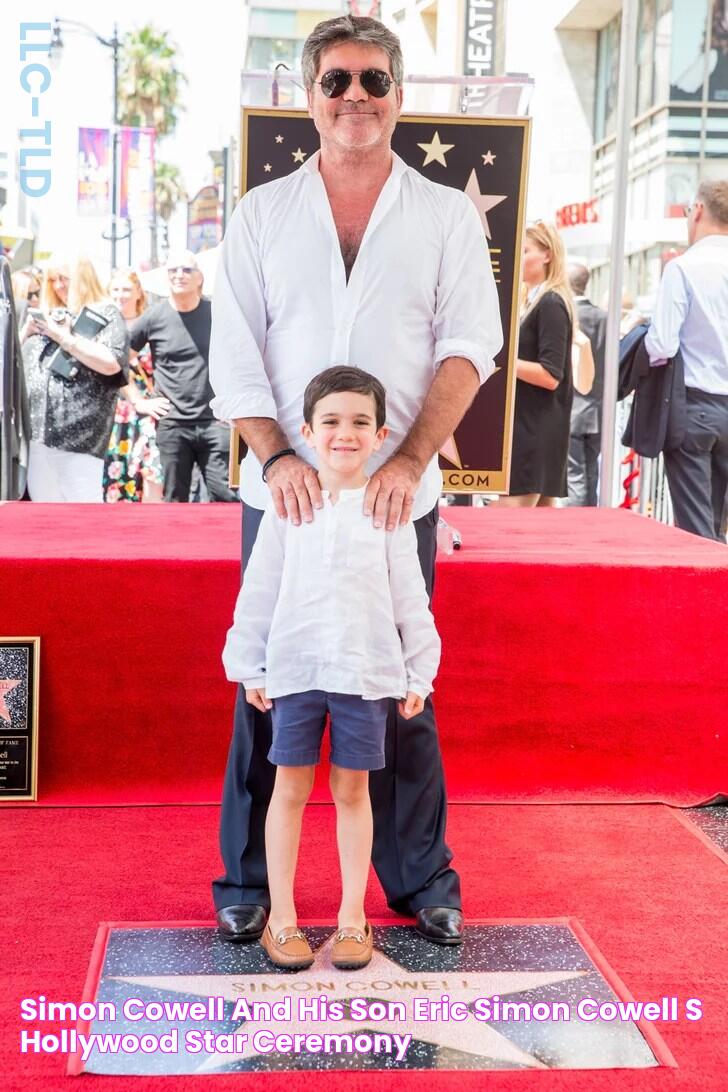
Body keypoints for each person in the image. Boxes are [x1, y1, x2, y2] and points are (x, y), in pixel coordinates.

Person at [209, 13, 502, 947]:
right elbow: (236, 357)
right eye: (336, 81)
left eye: (373, 81)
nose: (355, 98)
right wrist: (277, 453)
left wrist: (411, 460)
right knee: (269, 687)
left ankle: (422, 879)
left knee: (399, 689)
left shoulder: (446, 215)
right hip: (284, 496)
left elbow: (469, 348)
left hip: (393, 500)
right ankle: (248, 881)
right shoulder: (260, 215)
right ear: (308, 95)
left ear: (399, 95)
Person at [223, 367, 440, 969]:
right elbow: (258, 589)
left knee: (353, 790)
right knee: (289, 789)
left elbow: (409, 600)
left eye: (360, 423)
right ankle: (285, 918)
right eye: (332, 422)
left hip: (364, 675)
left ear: (381, 435)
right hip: (295, 670)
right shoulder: (286, 508)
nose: (346, 433)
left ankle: (352, 916)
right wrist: (250, 665)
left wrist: (419, 673)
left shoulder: (388, 514)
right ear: (307, 432)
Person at [645, 179, 728, 542]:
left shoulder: (684, 267)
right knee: (718, 527)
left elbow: (660, 345)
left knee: (698, 535)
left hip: (695, 407)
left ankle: (711, 598)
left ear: (697, 210)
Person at [129, 251, 238, 503]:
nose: (179, 275)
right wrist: (139, 401)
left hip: (216, 421)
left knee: (225, 496)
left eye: (187, 270)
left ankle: (224, 544)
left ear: (200, 278)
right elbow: (120, 360)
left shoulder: (218, 313)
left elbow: (241, 356)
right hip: (173, 423)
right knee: (175, 499)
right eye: (173, 270)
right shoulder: (154, 317)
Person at [20, 256, 129, 502]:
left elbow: (111, 363)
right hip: (37, 435)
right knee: (45, 515)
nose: (58, 286)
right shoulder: (49, 315)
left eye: (64, 279)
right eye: (53, 280)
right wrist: (25, 333)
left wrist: (65, 338)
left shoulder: (105, 312)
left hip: (80, 436)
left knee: (83, 515)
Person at [498, 221, 575, 507]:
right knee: (537, 527)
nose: (519, 257)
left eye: (525, 250)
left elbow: (551, 374)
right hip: (534, 427)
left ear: (547, 255)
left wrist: (505, 364)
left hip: (536, 430)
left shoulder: (551, 303)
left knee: (511, 518)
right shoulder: (538, 301)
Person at [104, 268, 167, 503]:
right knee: (117, 468)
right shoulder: (106, 326)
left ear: (139, 292)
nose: (121, 295)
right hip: (116, 411)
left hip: (150, 409)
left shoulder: (150, 322)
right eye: (116, 289)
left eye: (127, 289)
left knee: (151, 468)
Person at [567, 263, 607, 506]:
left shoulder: (569, 315)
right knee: (591, 473)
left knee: (575, 476)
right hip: (599, 409)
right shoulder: (606, 318)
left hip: (572, 407)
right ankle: (591, 519)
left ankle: (577, 523)